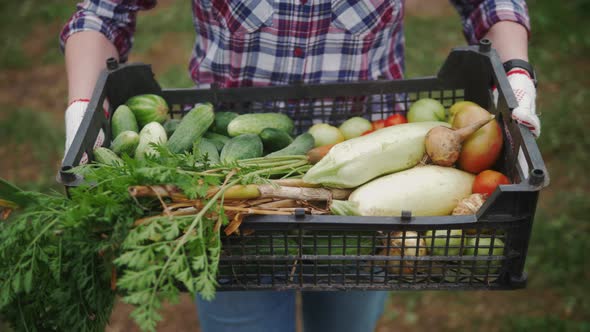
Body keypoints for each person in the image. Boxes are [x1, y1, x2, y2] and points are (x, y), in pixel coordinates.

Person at [60, 1, 541, 331]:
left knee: (347, 320)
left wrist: (515, 74)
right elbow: (106, 10)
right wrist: (83, 105)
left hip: (380, 170)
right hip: (230, 208)